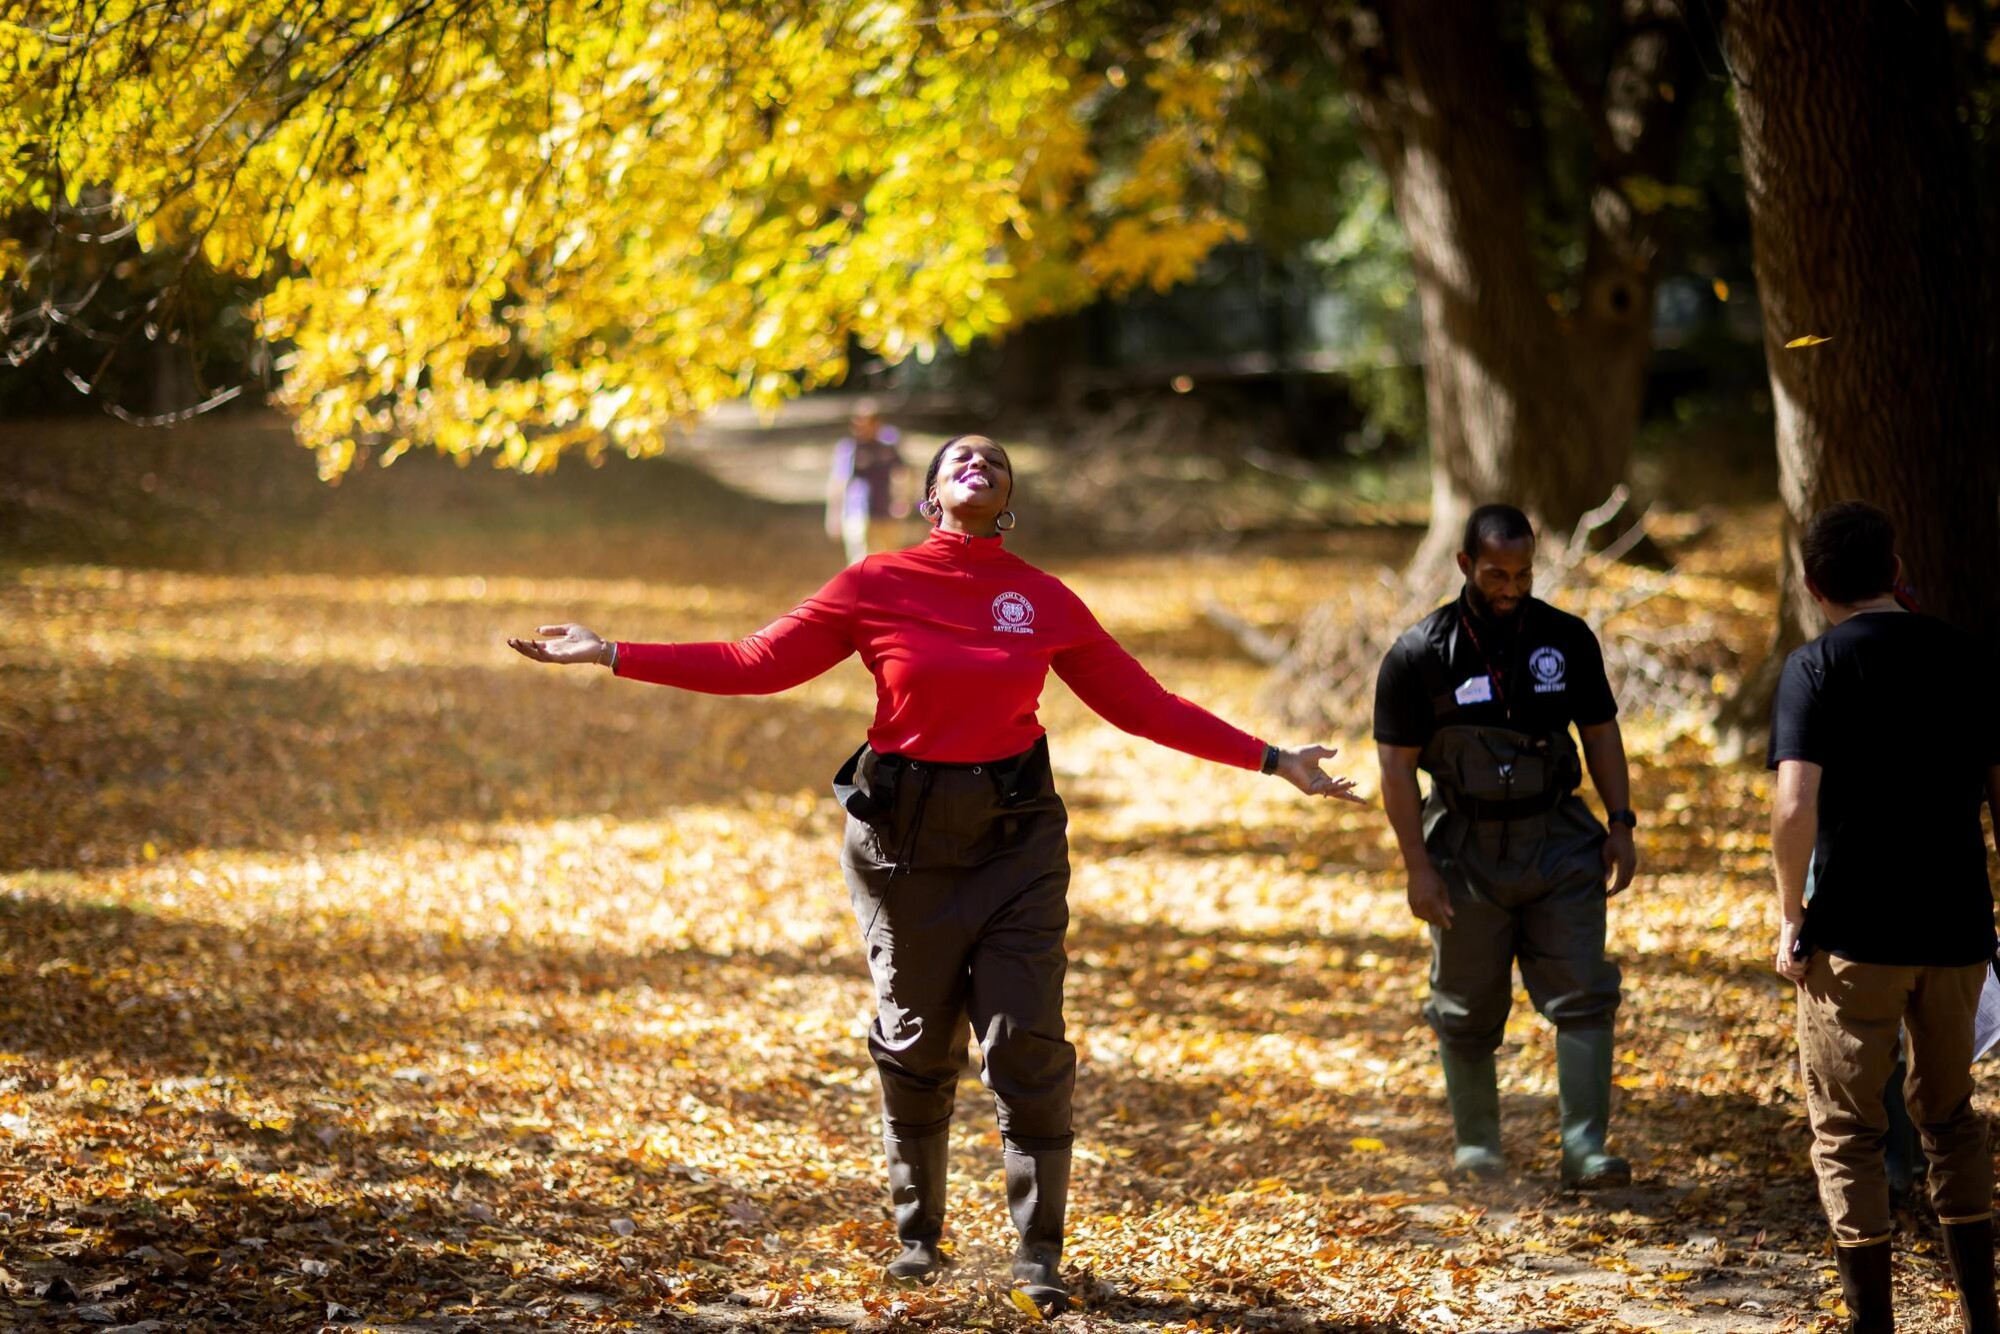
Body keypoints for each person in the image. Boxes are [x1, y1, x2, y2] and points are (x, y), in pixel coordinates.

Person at [509, 435, 1363, 1312]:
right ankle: (919, 1239)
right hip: (900, 848)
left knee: (1026, 1042)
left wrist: (1271, 759)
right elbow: (756, 662)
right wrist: (614, 652)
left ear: (1007, 500)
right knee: (916, 1042)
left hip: (1015, 841)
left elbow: (1143, 705)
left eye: (994, 462)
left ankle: (1039, 1256)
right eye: (959, 459)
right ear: (929, 500)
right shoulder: (875, 584)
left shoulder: (1040, 597)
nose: (978, 464)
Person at [1769, 501, 2000, 1334]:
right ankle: (1984, 1316)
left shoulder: (1815, 667)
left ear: (1813, 585)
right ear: (1896, 569)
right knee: (1951, 1119)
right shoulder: (1968, 658)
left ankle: (1875, 1328)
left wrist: (1790, 913)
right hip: (1957, 933)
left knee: (1846, 1130)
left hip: (1856, 938)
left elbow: (1796, 805)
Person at [1372, 503, 1638, 1187]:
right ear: (1465, 565)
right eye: (1496, 573)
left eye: (1522, 574)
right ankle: (1478, 1147)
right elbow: (1397, 768)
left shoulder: (1567, 639)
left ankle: (1585, 1150)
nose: (1510, 588)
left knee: (1583, 991)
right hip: (1463, 848)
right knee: (1463, 1002)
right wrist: (1417, 867)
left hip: (1559, 840)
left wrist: (1621, 823)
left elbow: (1601, 733)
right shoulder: (1418, 654)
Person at [825, 399, 908, 565]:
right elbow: (838, 482)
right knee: (860, 564)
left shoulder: (888, 446)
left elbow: (902, 473)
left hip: (885, 512)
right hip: (857, 513)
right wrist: (834, 514)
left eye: (867, 422)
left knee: (889, 563)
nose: (861, 427)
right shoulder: (848, 449)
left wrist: (902, 500)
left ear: (877, 423)